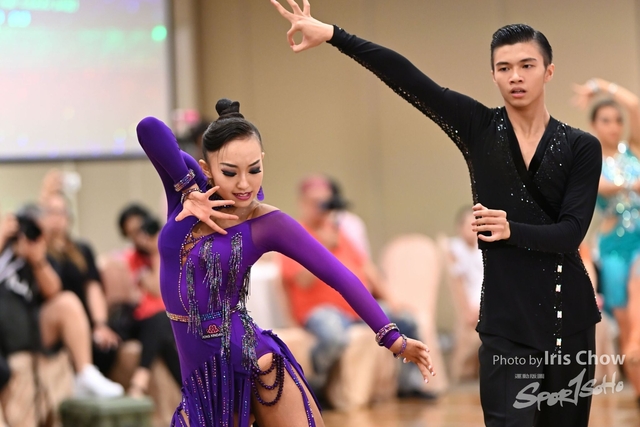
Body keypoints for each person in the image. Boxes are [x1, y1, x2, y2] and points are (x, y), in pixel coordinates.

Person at [271, 2, 602, 426]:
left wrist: (510, 229)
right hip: (505, 323)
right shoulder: (478, 128)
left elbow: (571, 233)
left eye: (526, 65)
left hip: (566, 319)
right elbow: (408, 78)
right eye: (504, 68)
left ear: (548, 71)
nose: (515, 76)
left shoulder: (581, 146)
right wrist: (336, 35)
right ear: (493, 75)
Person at [135, 98, 435, 427]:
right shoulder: (186, 190)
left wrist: (393, 339)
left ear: (263, 161)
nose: (244, 184)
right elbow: (148, 128)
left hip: (248, 355)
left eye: (254, 169)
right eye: (230, 172)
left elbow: (341, 276)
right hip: (202, 375)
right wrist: (190, 190)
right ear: (207, 168)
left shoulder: (269, 224)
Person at [280, 174, 433, 401]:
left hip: (356, 308)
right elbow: (302, 280)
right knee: (332, 337)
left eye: (326, 202)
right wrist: (322, 247)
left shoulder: (337, 232)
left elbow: (366, 267)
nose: (323, 208)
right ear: (303, 204)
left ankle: (408, 385)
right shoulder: (294, 235)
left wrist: (391, 300)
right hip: (321, 311)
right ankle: (315, 385)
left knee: (406, 320)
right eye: (316, 202)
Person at [0, 206, 123, 399]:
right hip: (3, 328)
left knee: (67, 301)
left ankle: (84, 373)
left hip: (28, 326)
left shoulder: (40, 255)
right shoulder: (4, 247)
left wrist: (37, 259)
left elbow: (53, 290)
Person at [573, 78, 640, 406]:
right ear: (594, 126)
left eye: (617, 120)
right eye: (605, 120)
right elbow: (601, 188)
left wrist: (601, 86)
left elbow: (636, 106)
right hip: (613, 245)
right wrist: (633, 185)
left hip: (639, 240)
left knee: (637, 311)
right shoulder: (590, 160)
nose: (614, 126)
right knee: (625, 322)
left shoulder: (634, 150)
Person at [114, 203, 182, 396]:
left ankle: (190, 395)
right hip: (141, 320)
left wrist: (159, 249)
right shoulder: (132, 259)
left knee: (165, 333)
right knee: (161, 319)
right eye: (132, 233)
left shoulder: (170, 250)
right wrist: (155, 252)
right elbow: (156, 288)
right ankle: (195, 396)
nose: (138, 237)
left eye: (140, 230)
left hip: (167, 320)